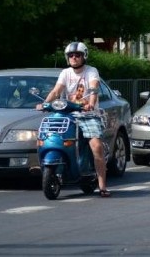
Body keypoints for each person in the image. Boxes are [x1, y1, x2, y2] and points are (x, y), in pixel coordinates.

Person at [37, 42, 111, 197]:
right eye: (71, 55)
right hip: (67, 114)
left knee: (96, 146)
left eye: (77, 55)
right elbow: (57, 90)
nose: (74, 58)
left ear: (84, 56)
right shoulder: (65, 72)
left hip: (87, 115)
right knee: (50, 136)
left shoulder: (91, 71)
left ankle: (102, 185)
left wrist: (91, 103)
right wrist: (45, 103)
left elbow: (93, 87)